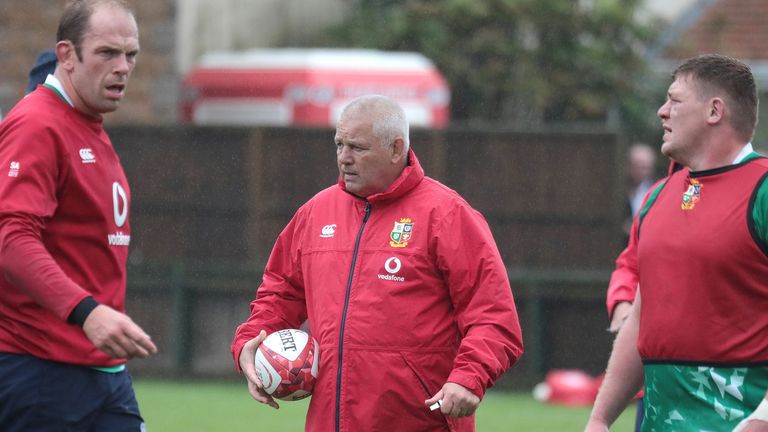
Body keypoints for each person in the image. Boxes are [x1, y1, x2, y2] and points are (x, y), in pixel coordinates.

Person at [232, 94, 523, 431]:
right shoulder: (314, 214)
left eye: (357, 147)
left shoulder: (447, 215)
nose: (344, 158)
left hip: (420, 422)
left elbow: (494, 316)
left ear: (396, 149)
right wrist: (249, 347)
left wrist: (468, 378)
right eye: (339, 144)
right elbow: (277, 298)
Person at [586, 53, 768, 432]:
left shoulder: (763, 191)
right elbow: (642, 315)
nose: (661, 111)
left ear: (714, 111)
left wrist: (760, 420)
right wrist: (600, 420)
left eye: (675, 100)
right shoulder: (656, 198)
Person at [0, 1, 158, 431]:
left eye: (131, 55)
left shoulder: (87, 125)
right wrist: (87, 311)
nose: (123, 67)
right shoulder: (37, 124)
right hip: (39, 371)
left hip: (102, 372)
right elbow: (11, 239)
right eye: (108, 53)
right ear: (67, 55)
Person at [622, 143, 657, 238]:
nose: (641, 171)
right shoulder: (619, 190)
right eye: (638, 166)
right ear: (629, 166)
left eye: (646, 167)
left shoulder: (657, 191)